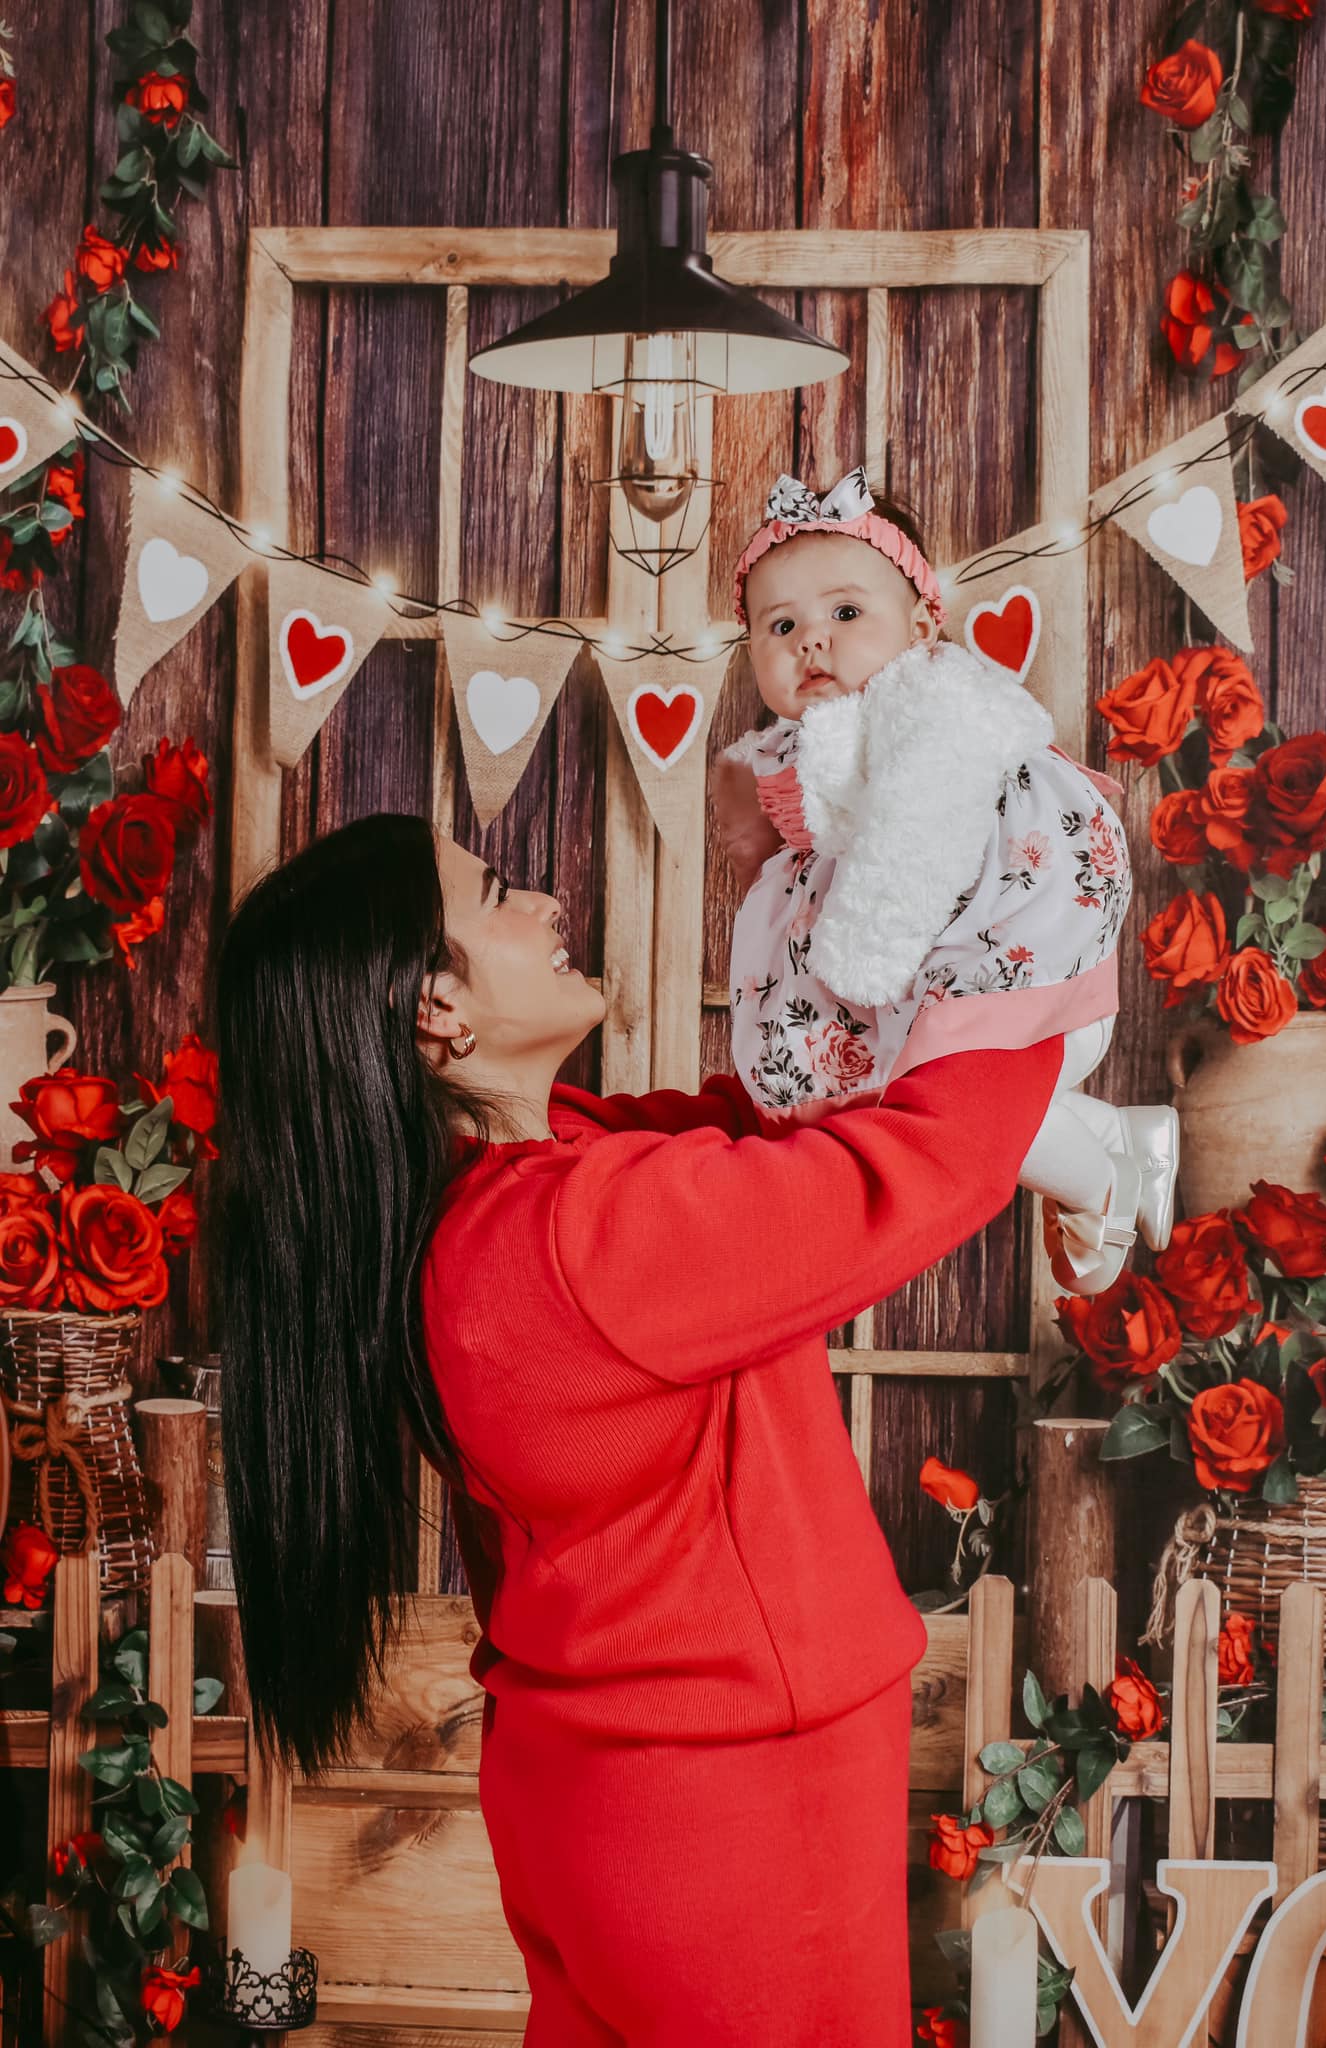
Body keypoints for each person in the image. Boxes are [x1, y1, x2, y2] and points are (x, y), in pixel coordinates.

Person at [213, 810, 1066, 2047]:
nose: (548, 903)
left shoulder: (505, 1197)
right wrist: (1042, 923)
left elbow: (759, 1116)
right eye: (498, 893)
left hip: (615, 1797)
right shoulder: (585, 1236)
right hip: (729, 1818)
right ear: (435, 1013)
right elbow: (923, 1164)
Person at [711, 464, 1180, 1297]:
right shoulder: (824, 732)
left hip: (1007, 925)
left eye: (846, 613)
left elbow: (913, 842)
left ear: (925, 621)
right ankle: (1117, 1137)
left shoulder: (933, 710)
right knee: (913, 1101)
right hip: (927, 951)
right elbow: (809, 817)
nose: (811, 639)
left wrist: (858, 954)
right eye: (779, 625)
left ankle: (1105, 1181)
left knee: (953, 1105)